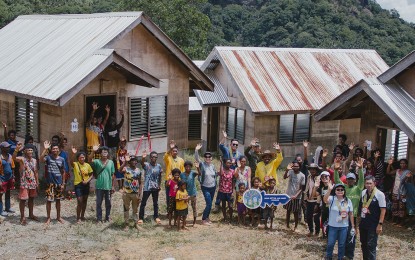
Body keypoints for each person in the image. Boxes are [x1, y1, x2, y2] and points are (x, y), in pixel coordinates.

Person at [335, 157, 365, 260]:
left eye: (352, 179)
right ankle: (342, 253)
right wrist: (335, 170)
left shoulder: (358, 189)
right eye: (349, 179)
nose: (350, 181)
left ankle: (350, 255)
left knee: (352, 236)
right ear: (346, 180)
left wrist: (360, 169)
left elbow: (362, 181)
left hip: (353, 217)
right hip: (343, 215)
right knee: (343, 236)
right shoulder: (343, 188)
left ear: (355, 180)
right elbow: (337, 180)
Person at [323, 183, 355, 260]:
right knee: (330, 244)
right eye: (338, 189)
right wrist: (329, 189)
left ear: (344, 191)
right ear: (335, 190)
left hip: (344, 226)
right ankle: (328, 257)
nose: (340, 191)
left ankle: (340, 258)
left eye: (342, 189)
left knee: (341, 244)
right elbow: (324, 200)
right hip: (333, 226)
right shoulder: (332, 198)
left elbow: (351, 214)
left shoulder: (348, 200)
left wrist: (353, 226)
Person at [359, 176, 386, 260]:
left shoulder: (379, 194)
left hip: (373, 223)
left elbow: (383, 210)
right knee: (363, 244)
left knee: (371, 245)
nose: (368, 185)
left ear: (374, 183)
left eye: (370, 183)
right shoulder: (363, 192)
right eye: (367, 183)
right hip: (363, 222)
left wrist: (380, 224)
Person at [13, 143, 39, 225]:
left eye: (31, 150)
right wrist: (16, 149)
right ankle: (22, 217)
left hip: (32, 182)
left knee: (31, 199)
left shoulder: (34, 160)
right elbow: (13, 158)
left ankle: (31, 214)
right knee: (23, 200)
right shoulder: (22, 159)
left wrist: (37, 182)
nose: (31, 151)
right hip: (24, 182)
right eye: (29, 150)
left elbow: (36, 171)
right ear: (25, 151)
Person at [41, 141, 66, 225]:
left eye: (56, 149)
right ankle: (48, 218)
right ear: (51, 150)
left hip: (59, 183)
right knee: (49, 201)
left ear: (59, 150)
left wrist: (63, 183)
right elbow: (40, 159)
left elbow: (63, 172)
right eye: (53, 149)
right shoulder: (48, 158)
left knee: (58, 201)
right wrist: (45, 149)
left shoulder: (62, 159)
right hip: (50, 184)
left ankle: (58, 217)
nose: (55, 150)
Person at [90, 145, 115, 223]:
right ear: (100, 153)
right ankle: (99, 218)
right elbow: (89, 160)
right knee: (99, 203)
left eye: (106, 151)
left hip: (108, 186)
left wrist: (113, 186)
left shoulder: (111, 162)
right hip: (99, 186)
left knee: (108, 204)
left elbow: (112, 175)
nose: (105, 153)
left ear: (108, 153)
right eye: (103, 151)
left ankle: (107, 218)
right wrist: (93, 151)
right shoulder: (97, 161)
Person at [195, 143, 217, 225]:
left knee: (210, 203)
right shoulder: (202, 165)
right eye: (206, 157)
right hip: (205, 187)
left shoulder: (213, 166)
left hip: (213, 187)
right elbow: (197, 159)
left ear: (211, 158)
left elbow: (215, 175)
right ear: (204, 158)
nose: (208, 158)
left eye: (209, 157)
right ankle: (204, 219)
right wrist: (196, 150)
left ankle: (207, 217)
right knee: (209, 203)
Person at [138, 150, 163, 225]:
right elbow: (142, 164)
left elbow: (160, 176)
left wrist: (159, 185)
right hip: (147, 187)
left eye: (155, 157)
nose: (154, 158)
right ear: (150, 157)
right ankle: (141, 218)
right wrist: (143, 158)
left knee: (155, 203)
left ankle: (156, 217)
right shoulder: (147, 165)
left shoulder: (159, 166)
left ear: (157, 158)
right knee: (143, 202)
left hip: (155, 187)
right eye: (152, 157)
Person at [71, 147, 93, 224]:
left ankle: (82, 216)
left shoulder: (87, 165)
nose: (82, 159)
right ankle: (78, 218)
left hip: (86, 184)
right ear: (78, 159)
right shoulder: (75, 164)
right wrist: (73, 154)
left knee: (85, 201)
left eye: (83, 157)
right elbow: (70, 161)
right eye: (80, 158)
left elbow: (91, 175)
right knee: (79, 201)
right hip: (78, 185)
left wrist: (87, 181)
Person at [386, 158, 412, 225]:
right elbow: (388, 173)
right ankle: (395, 220)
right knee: (395, 206)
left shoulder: (408, 172)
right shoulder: (397, 170)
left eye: (404, 163)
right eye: (401, 163)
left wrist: (407, 177)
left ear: (406, 164)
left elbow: (407, 182)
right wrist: (389, 165)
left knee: (402, 207)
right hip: (395, 191)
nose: (402, 165)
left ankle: (401, 221)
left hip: (403, 192)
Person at [120, 155, 142, 230]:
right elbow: (119, 170)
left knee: (135, 209)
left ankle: (136, 224)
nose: (134, 162)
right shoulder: (126, 169)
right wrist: (125, 162)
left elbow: (140, 182)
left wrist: (140, 193)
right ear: (129, 161)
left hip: (135, 193)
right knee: (126, 209)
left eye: (135, 160)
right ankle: (126, 224)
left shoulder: (138, 170)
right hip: (126, 193)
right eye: (132, 160)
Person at [283, 161, 305, 232]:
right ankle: (287, 225)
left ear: (299, 167)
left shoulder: (302, 175)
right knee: (288, 211)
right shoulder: (291, 172)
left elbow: (301, 188)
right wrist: (287, 170)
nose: (295, 167)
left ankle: (296, 226)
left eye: (297, 166)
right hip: (288, 195)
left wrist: (296, 195)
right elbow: (284, 177)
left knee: (295, 212)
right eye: (294, 166)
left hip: (297, 197)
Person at [163, 140, 184, 210]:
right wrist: (170, 148)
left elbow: (182, 171)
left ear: (178, 151)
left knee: (178, 196)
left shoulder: (181, 160)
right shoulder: (168, 158)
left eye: (176, 151)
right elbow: (165, 156)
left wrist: (182, 182)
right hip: (169, 181)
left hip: (178, 181)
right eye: (173, 151)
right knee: (169, 196)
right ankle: (169, 211)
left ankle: (177, 211)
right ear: (171, 152)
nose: (174, 152)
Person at [311, 171, 331, 238]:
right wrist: (315, 187)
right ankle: (324, 236)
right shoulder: (321, 188)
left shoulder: (333, 187)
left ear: (329, 177)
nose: (324, 178)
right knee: (324, 224)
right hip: (324, 209)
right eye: (322, 177)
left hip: (332, 210)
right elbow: (314, 196)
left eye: (326, 176)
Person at [303, 163, 321, 236]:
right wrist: (304, 199)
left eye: (314, 169)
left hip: (316, 200)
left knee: (316, 217)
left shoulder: (319, 178)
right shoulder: (309, 177)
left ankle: (317, 232)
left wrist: (318, 203)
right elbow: (307, 188)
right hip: (309, 200)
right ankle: (311, 230)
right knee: (308, 216)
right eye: (311, 169)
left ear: (316, 170)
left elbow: (319, 191)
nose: (312, 171)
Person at [180, 161, 199, 226]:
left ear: (191, 167)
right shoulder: (182, 174)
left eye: (189, 167)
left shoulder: (193, 173)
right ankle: (184, 221)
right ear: (184, 167)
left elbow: (200, 174)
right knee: (184, 208)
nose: (188, 168)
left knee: (194, 207)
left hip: (193, 193)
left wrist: (198, 168)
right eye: (186, 167)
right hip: (185, 194)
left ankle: (194, 222)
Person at [218, 157, 234, 223]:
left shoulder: (232, 171)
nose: (229, 164)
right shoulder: (222, 170)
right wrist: (221, 163)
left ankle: (230, 218)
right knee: (223, 205)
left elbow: (233, 181)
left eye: (230, 163)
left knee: (230, 206)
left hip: (229, 191)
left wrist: (233, 191)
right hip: (222, 191)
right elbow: (221, 174)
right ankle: (225, 218)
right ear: (225, 163)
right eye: (227, 163)